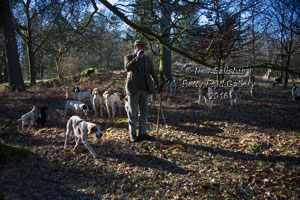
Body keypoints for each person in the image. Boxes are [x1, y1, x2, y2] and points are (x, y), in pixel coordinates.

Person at [124, 39, 161, 142]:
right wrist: (137, 58)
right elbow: (127, 68)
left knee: (144, 112)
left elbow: (152, 72)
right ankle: (133, 136)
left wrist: (158, 82)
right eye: (139, 46)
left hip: (145, 90)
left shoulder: (148, 59)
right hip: (133, 90)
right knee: (132, 113)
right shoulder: (129, 57)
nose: (141, 48)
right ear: (135, 48)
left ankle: (142, 133)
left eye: (143, 47)